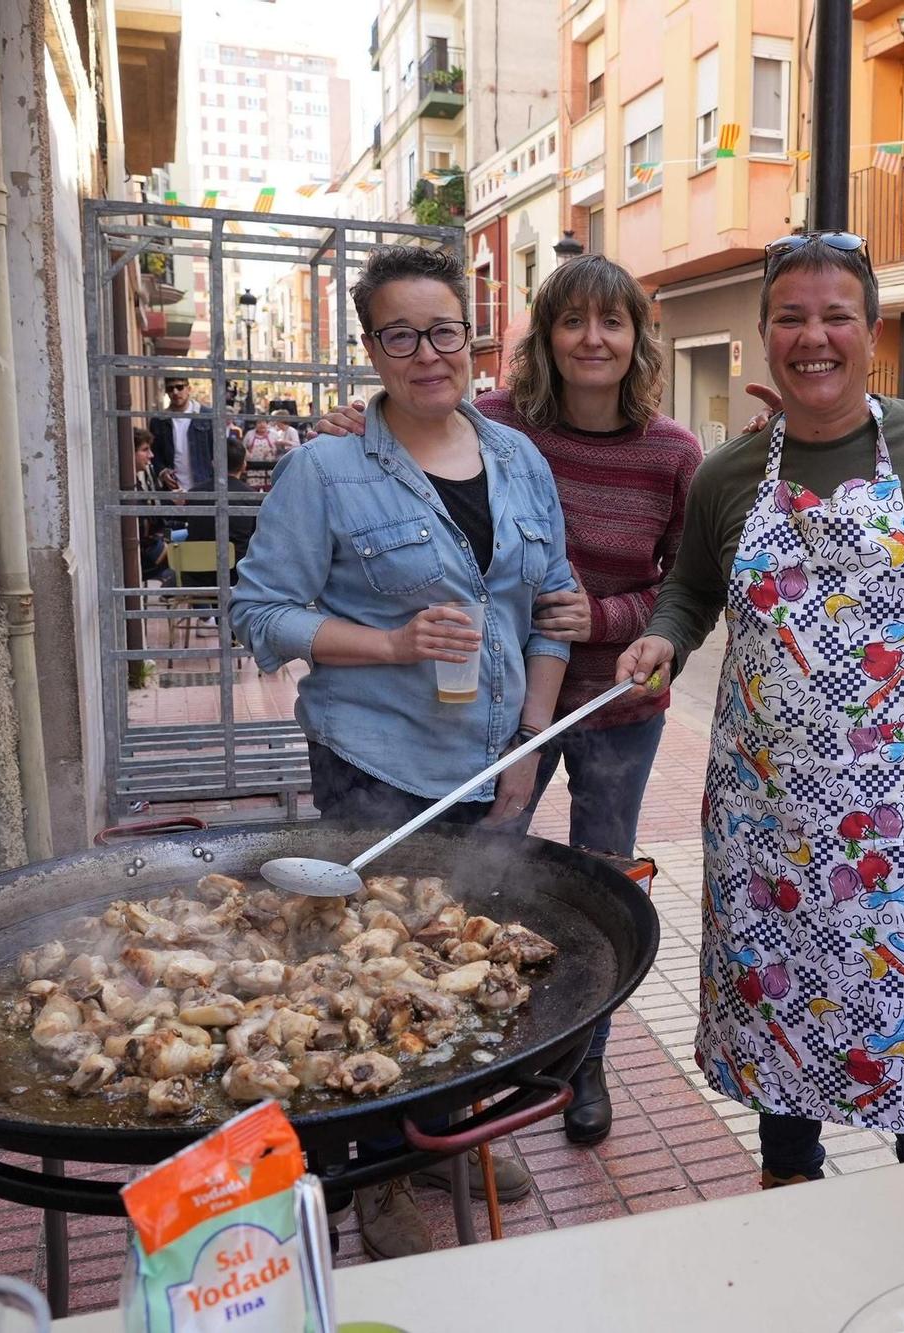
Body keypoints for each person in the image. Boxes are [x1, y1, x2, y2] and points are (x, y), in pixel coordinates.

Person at [615, 232, 904, 1187]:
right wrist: (664, 637)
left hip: (902, 826)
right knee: (781, 1022)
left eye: (836, 315)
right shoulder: (732, 473)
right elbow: (689, 591)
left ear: (872, 330)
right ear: (765, 334)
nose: (815, 337)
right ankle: (788, 1187)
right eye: (791, 317)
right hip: (765, 819)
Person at [230, 243, 578, 1258]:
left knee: (465, 958)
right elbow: (261, 610)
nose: (427, 353)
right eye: (399, 334)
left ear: (471, 338)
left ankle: (446, 1138)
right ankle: (376, 1168)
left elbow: (551, 608)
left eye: (442, 330)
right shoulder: (324, 468)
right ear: (372, 347)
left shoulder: (518, 459)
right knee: (366, 970)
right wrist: (387, 642)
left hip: (487, 760)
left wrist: (527, 746)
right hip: (371, 758)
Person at [314, 255, 702, 1148]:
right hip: (496, 703)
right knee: (490, 875)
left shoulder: (673, 452)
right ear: (546, 336)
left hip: (609, 702)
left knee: (604, 881)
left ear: (639, 337)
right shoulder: (493, 425)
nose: (593, 339)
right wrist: (351, 427)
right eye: (573, 322)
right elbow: (404, 443)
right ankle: (486, 1065)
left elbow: (688, 584)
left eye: (613, 322)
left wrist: (606, 612)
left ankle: (585, 1063)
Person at [180, 437, 261, 585]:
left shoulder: (194, 494)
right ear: (244, 465)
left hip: (196, 575)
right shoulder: (252, 497)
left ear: (213, 464)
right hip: (238, 575)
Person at [152, 376, 215, 492]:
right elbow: (154, 453)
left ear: (189, 389)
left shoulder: (207, 415)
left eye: (179, 387)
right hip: (173, 489)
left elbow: (218, 451)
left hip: (203, 486)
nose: (175, 392)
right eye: (170, 389)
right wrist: (162, 472)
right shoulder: (159, 420)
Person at [130, 428, 171, 586]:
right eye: (145, 450)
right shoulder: (126, 484)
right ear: (129, 453)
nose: (151, 455)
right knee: (193, 557)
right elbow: (144, 522)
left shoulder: (135, 480)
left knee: (192, 538)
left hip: (151, 544)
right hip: (145, 553)